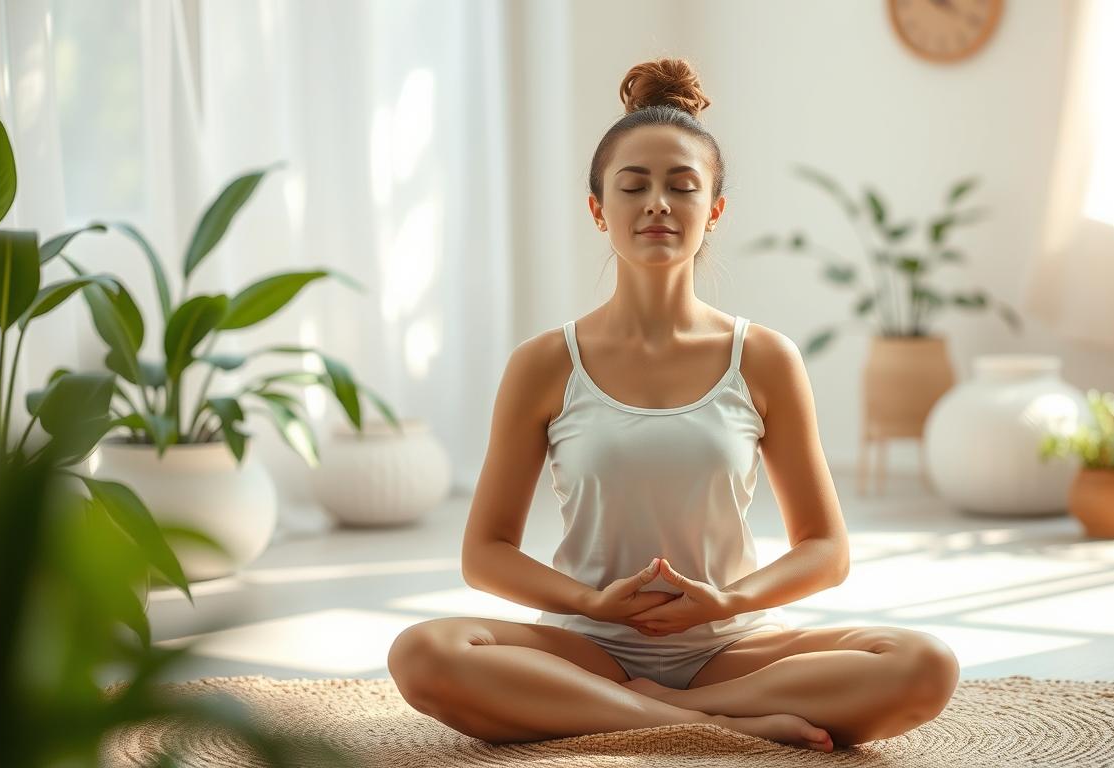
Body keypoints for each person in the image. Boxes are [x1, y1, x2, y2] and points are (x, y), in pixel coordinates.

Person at [387, 57, 959, 752]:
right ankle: (711, 727)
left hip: (729, 646)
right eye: (634, 186)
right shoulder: (543, 363)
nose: (657, 203)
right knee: (422, 652)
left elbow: (826, 549)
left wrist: (732, 601)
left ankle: (644, 710)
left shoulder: (765, 358)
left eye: (682, 187)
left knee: (925, 666)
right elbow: (486, 554)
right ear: (599, 209)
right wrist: (590, 603)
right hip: (587, 646)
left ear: (713, 210)